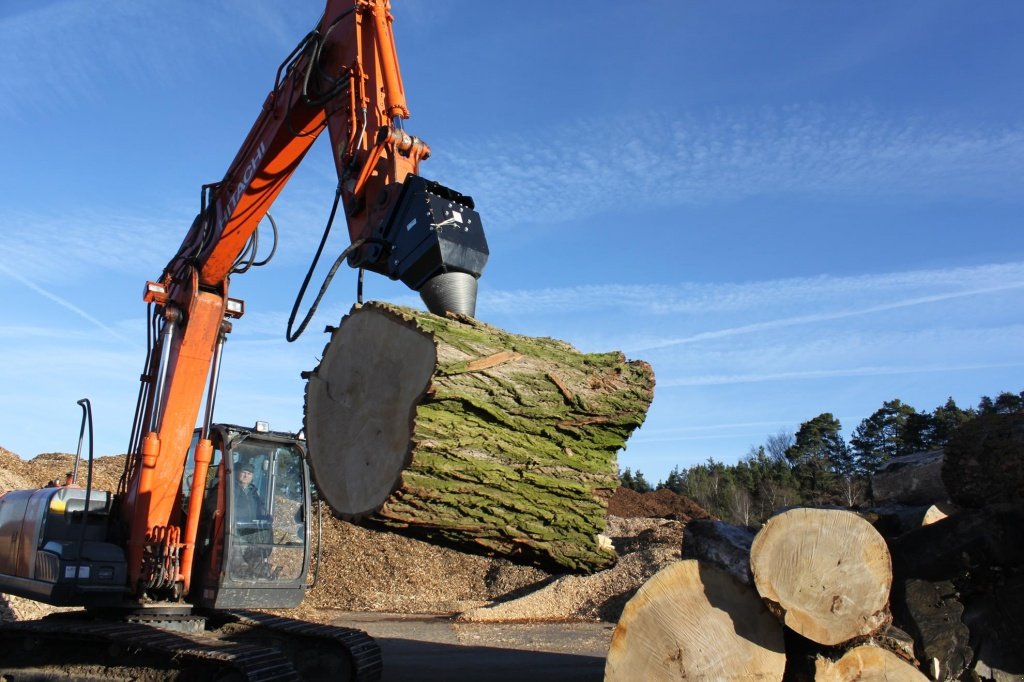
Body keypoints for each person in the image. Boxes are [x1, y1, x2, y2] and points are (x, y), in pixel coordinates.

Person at [232, 461, 272, 576]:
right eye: (244, 472)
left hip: (251, 531)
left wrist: (266, 518)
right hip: (235, 530)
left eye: (249, 474)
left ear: (253, 476)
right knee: (237, 548)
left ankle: (256, 571)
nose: (246, 476)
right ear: (237, 473)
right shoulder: (230, 488)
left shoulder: (254, 492)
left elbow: (260, 509)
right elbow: (215, 504)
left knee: (257, 549)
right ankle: (240, 570)